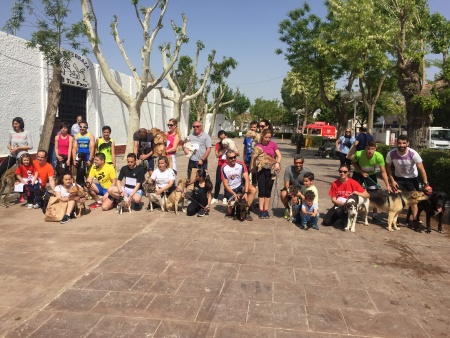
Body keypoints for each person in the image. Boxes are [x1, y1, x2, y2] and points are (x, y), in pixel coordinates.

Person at [385, 134, 429, 223]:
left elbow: (422, 170)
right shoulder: (391, 154)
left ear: (408, 143)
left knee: (414, 200)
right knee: (396, 199)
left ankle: (415, 220)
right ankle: (393, 219)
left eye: (404, 143)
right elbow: (388, 168)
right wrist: (392, 181)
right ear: (396, 143)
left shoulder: (413, 154)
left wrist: (426, 184)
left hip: (412, 179)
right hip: (398, 179)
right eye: (400, 143)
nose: (401, 145)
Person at [352, 140, 392, 222]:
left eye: (372, 149)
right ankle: (352, 212)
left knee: (374, 193)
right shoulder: (359, 154)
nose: (370, 151)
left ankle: (375, 215)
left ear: (375, 149)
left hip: (371, 174)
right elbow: (353, 163)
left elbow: (383, 172)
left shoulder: (379, 156)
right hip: (358, 173)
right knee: (354, 191)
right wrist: (361, 172)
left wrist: (387, 185)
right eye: (368, 149)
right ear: (365, 148)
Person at [255, 129, 282, 219]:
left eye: (269, 137)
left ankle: (265, 210)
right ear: (262, 136)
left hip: (270, 170)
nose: (267, 139)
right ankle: (261, 210)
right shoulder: (258, 145)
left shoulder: (273, 145)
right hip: (261, 170)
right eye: (266, 137)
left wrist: (277, 163)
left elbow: (279, 155)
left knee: (268, 190)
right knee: (261, 190)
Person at [221, 149, 254, 221]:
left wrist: (245, 192)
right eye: (230, 158)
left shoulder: (241, 164)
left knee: (253, 190)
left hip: (240, 186)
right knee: (230, 212)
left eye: (234, 157)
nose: (233, 159)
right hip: (231, 189)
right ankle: (235, 209)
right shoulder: (224, 167)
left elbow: (247, 179)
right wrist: (234, 194)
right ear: (227, 159)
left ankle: (246, 211)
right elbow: (226, 185)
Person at [0, 117, 33, 183]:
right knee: (2, 168)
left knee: (20, 172)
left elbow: (30, 146)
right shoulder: (11, 133)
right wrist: (11, 148)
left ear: (20, 124)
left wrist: (18, 148)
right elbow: (8, 144)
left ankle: (21, 186)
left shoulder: (26, 133)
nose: (15, 125)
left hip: (22, 156)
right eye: (13, 124)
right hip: (13, 155)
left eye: (16, 124)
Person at [212, 130, 240, 205]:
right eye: (221, 139)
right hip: (221, 164)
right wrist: (224, 148)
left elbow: (238, 153)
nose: (223, 140)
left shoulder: (231, 143)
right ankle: (215, 197)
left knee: (228, 182)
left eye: (224, 138)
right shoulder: (218, 145)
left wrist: (231, 149)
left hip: (229, 165)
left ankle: (226, 197)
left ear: (226, 136)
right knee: (218, 181)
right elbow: (217, 155)